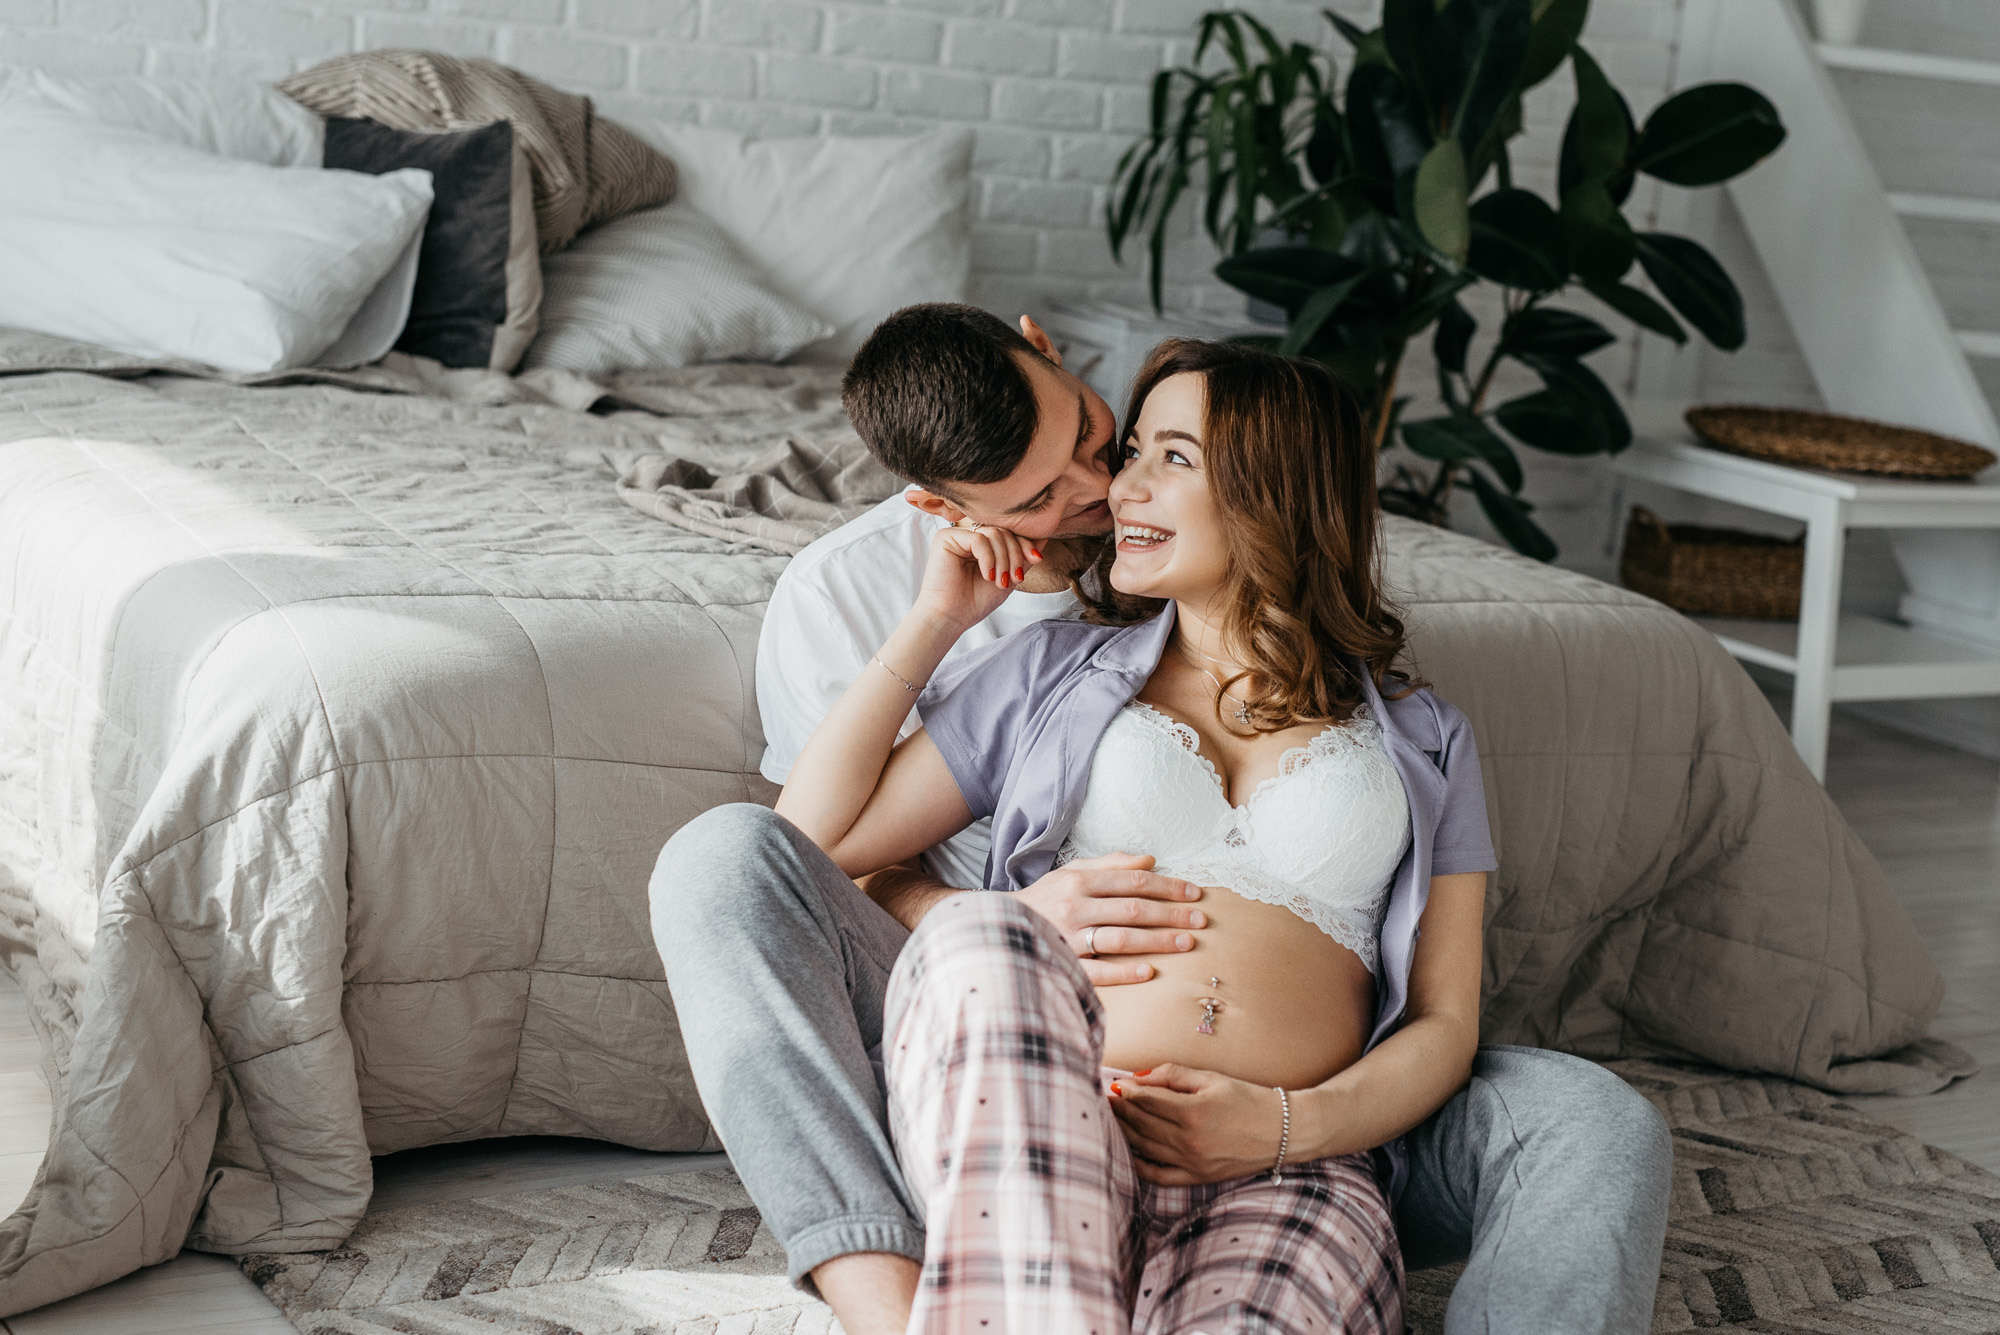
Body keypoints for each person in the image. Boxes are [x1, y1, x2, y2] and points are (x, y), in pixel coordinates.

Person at [651, 307, 1673, 1335]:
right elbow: (802, 856)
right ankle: (896, 1307)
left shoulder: (1425, 735)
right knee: (951, 923)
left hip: (1284, 1167)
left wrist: (1280, 1129)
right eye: (1124, 454)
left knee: (1589, 1125)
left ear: (1273, 488)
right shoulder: (1048, 668)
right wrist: (935, 623)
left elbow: (1448, 1020)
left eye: (1152, 455)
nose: (1110, 490)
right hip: (1041, 1099)